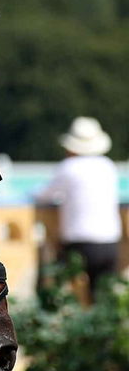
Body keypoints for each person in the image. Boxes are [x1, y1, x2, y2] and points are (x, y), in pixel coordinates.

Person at [36, 116, 123, 289]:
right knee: (104, 296)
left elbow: (43, 195)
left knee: (72, 293)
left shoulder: (68, 167)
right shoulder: (108, 166)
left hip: (79, 244)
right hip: (111, 241)